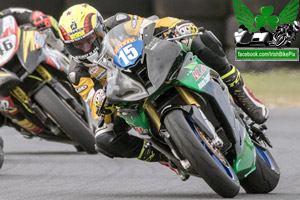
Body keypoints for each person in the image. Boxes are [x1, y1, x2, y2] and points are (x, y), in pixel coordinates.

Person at [57, 3, 269, 180]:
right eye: (77, 45)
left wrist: (179, 26)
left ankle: (241, 93)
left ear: (100, 28)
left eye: (89, 40)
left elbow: (152, 25)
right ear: (68, 47)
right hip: (125, 98)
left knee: (201, 38)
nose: (85, 48)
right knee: (104, 140)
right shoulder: (77, 72)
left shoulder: (119, 21)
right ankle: (165, 157)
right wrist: (100, 100)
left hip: (154, 65)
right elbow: (93, 102)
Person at [0, 8, 60, 136]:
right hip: (2, 80)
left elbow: (14, 13)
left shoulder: (3, 16)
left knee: (47, 27)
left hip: (17, 54)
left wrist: (34, 17)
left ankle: (71, 55)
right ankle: (16, 123)